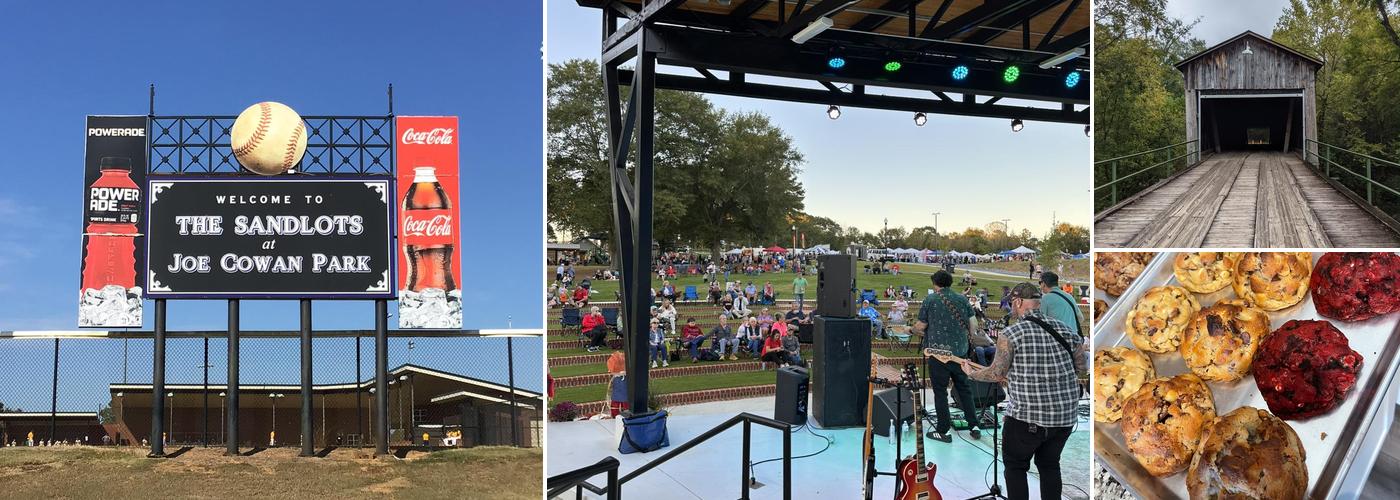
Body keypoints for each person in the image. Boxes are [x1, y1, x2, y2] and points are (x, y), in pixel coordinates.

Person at [961, 283, 1085, 500]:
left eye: (1011, 303)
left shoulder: (1011, 333)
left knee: (1015, 466)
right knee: (1049, 465)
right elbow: (1081, 369)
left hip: (1027, 419)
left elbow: (996, 374)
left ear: (1018, 302)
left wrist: (971, 373)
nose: (1011, 306)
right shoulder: (1067, 330)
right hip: (1064, 417)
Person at [916, 270, 982, 443]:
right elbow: (974, 327)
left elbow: (920, 326)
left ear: (935, 283)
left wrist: (912, 330)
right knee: (965, 390)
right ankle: (974, 426)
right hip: (960, 354)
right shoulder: (962, 299)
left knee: (940, 392)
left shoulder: (930, 300)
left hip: (938, 355)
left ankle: (943, 429)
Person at [1038, 272, 1083, 338]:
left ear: (1044, 284)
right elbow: (1081, 318)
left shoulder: (1045, 298)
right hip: (1074, 337)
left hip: (1058, 339)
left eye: (1040, 282)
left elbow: (1041, 322)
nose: (1040, 285)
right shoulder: (1069, 296)